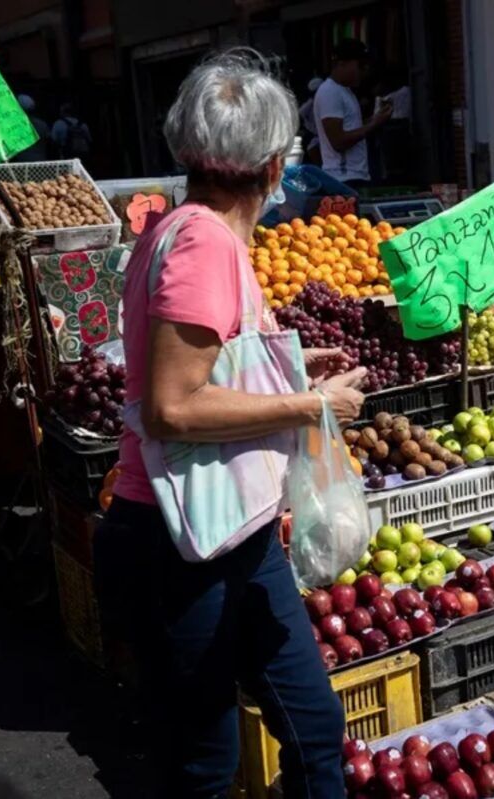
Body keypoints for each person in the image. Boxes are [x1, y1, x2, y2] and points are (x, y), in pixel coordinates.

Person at [94, 54, 366, 797]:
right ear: (275, 166)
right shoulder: (204, 241)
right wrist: (313, 405)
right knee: (205, 765)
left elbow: (200, 364)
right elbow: (173, 406)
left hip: (232, 527)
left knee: (313, 729)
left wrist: (288, 362)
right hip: (179, 541)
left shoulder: (182, 231)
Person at [313, 39, 391, 187]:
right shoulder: (330, 92)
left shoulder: (346, 91)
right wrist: (374, 124)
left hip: (356, 175)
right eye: (360, 66)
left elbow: (352, 128)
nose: (364, 71)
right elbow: (338, 141)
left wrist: (377, 118)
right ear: (342, 64)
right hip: (344, 177)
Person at [13, 95, 52, 162]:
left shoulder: (16, 127)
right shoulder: (42, 124)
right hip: (40, 161)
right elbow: (49, 140)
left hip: (22, 163)